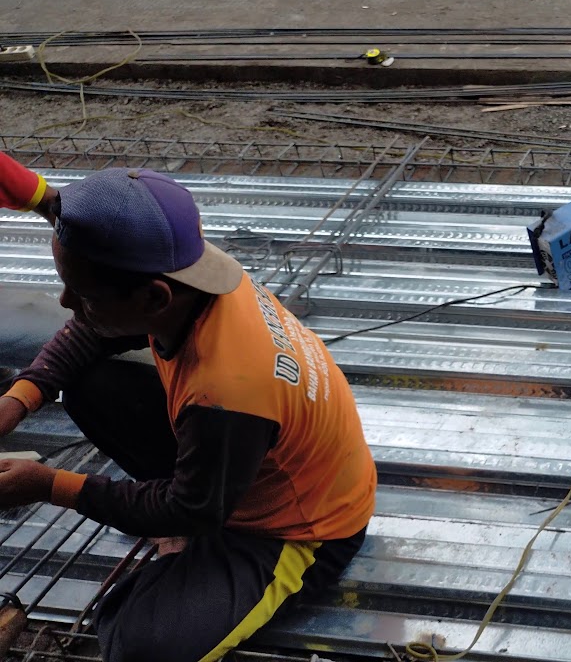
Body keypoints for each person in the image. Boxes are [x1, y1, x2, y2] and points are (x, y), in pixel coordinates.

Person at [0, 154, 378, 662]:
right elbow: (87, 331)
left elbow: (194, 509)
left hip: (303, 528)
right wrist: (17, 399)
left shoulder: (227, 390)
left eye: (83, 294)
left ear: (155, 299)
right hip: (241, 462)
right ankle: (182, 547)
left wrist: (48, 485)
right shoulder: (187, 269)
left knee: (142, 649)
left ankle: (186, 561)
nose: (66, 303)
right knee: (90, 383)